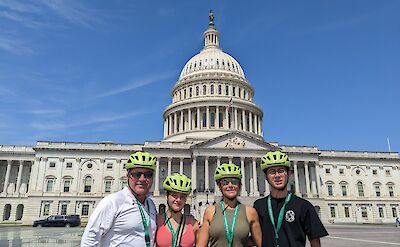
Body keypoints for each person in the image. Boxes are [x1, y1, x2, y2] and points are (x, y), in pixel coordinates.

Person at [81, 151, 158, 247]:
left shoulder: (151, 204)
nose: (142, 179)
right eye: (137, 174)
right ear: (128, 176)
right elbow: (89, 239)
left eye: (148, 175)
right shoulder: (112, 201)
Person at [253, 151, 328, 247]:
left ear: (289, 174)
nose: (277, 175)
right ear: (266, 177)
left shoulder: (304, 206)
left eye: (281, 171)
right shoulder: (259, 206)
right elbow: (254, 237)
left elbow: (315, 242)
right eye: (272, 172)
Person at [197, 163, 262, 247]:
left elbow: (260, 243)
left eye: (234, 182)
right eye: (225, 182)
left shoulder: (250, 212)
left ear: (240, 186)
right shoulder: (210, 211)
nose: (230, 185)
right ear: (220, 186)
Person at [156, 173, 199, 247]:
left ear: (186, 199)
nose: (178, 200)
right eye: (174, 195)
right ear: (166, 196)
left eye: (182, 196)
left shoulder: (193, 224)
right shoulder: (157, 221)